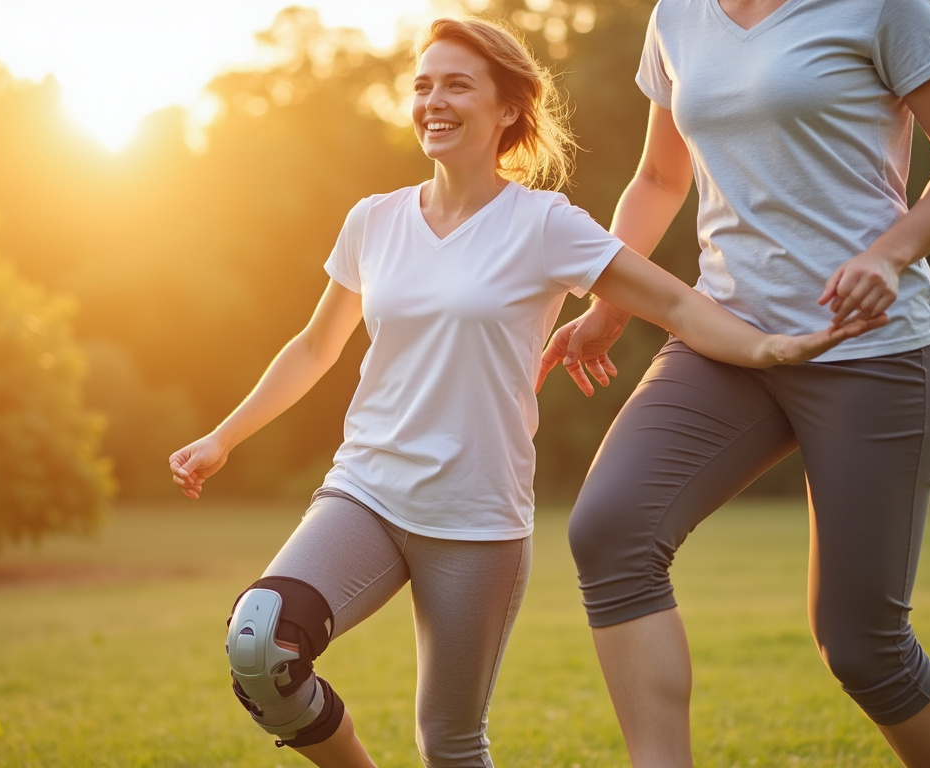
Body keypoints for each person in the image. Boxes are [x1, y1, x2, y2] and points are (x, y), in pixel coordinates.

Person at [170, 16, 884, 768]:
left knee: (449, 744)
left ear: (508, 107)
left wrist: (769, 347)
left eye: (457, 85)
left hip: (475, 520)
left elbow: (673, 303)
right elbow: (315, 347)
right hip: (366, 491)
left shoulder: (543, 224)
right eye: (422, 85)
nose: (433, 101)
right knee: (261, 643)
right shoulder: (373, 220)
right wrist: (223, 436)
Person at [537, 1, 930, 766]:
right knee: (610, 530)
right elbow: (658, 177)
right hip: (727, 337)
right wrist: (611, 304)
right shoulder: (678, 16)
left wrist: (889, 254)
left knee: (862, 647)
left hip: (869, 347)